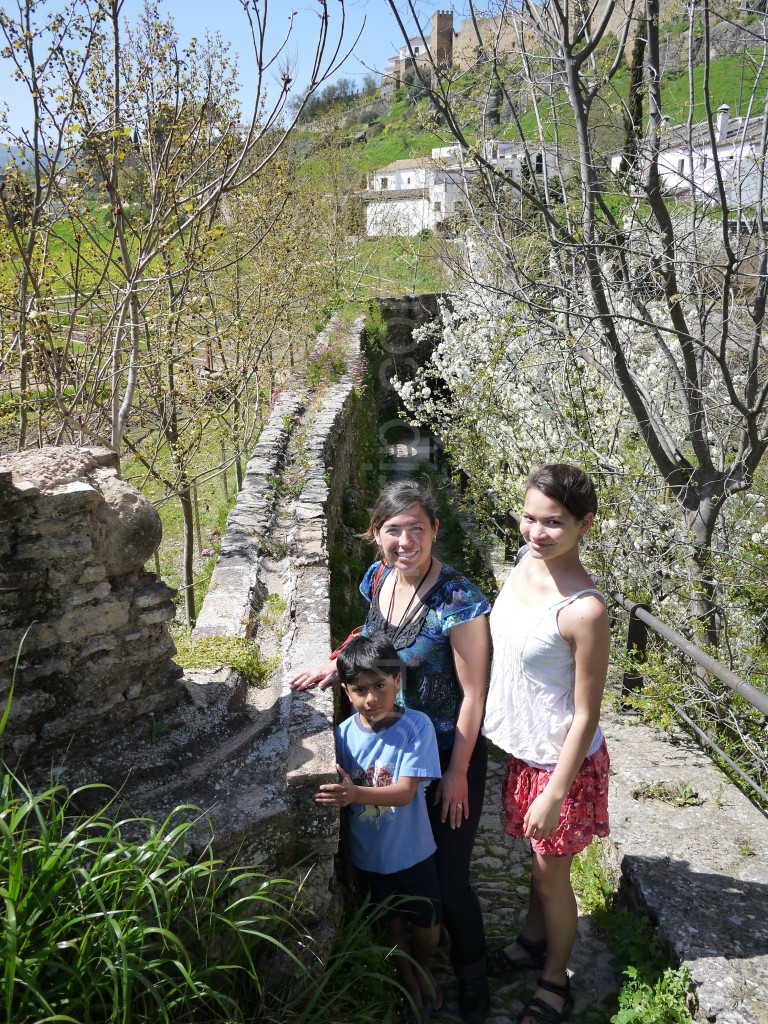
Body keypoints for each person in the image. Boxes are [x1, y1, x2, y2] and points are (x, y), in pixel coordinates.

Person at [291, 478, 492, 1023]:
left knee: (449, 878)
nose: (405, 541)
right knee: (392, 854)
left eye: (417, 530)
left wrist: (456, 773)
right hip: (386, 745)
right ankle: (405, 955)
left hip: (447, 749)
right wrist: (337, 665)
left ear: (434, 531)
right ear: (376, 534)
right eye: (393, 530)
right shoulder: (377, 577)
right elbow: (371, 641)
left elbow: (475, 693)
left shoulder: (460, 599)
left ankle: (473, 974)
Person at [483, 464, 611, 1024]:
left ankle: (556, 979)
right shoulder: (523, 566)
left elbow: (586, 714)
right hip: (524, 747)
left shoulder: (585, 610)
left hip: (563, 763)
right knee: (535, 862)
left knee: (550, 874)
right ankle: (532, 941)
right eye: (530, 517)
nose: (537, 532)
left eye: (554, 523)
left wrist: (556, 791)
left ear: (584, 524)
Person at [314, 633, 443, 1014]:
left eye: (379, 686)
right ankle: (410, 981)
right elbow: (342, 813)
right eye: (359, 690)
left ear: (397, 681)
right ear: (345, 692)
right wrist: (351, 862)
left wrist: (356, 794)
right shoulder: (341, 737)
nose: (371, 698)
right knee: (392, 928)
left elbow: (404, 792)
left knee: (428, 932)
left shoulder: (417, 728)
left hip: (415, 854)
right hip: (371, 858)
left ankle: (425, 964)